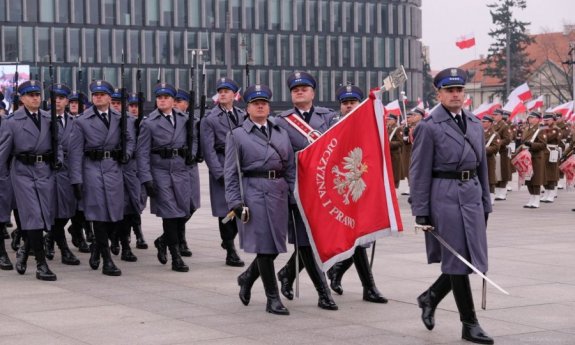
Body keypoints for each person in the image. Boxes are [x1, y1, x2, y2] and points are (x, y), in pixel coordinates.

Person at [410, 68, 494, 344]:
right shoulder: (428, 126)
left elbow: (482, 166)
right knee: (458, 259)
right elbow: (418, 171)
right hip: (444, 196)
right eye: (450, 90)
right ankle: (469, 323)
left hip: (471, 196)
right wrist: (420, 210)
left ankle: (430, 296)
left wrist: (485, 201)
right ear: (439, 94)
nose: (456, 94)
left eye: (459, 90)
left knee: (470, 258)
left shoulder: (474, 122)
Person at [226, 84, 295, 315]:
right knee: (266, 248)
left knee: (275, 247)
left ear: (269, 106)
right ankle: (272, 298)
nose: (260, 106)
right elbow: (231, 171)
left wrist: (293, 193)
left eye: (263, 103)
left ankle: (247, 277)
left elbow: (290, 167)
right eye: (255, 103)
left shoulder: (280, 131)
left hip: (279, 192)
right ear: (247, 108)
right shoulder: (237, 135)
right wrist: (234, 201)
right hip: (254, 192)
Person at [274, 71, 338, 311]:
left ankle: (283, 274)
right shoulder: (281, 121)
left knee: (315, 240)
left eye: (304, 88)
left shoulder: (329, 117)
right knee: (305, 241)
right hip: (298, 189)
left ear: (313, 92)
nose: (299, 91)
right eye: (295, 89)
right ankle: (323, 293)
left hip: (324, 190)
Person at [325, 84, 388, 304]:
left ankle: (340, 274)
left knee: (360, 239)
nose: (349, 106)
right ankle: (367, 286)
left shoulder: (370, 124)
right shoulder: (333, 125)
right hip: (341, 190)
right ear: (340, 106)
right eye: (345, 103)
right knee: (352, 240)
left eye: (353, 102)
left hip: (362, 189)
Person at [69, 80, 135, 276]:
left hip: (113, 167)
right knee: (98, 214)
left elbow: (130, 139)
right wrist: (76, 180)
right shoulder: (81, 121)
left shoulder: (121, 117)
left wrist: (127, 153)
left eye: (102, 94)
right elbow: (75, 152)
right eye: (95, 94)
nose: (98, 97)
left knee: (114, 215)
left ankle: (97, 247)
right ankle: (107, 259)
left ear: (109, 97)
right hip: (92, 169)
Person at [0, 80, 63, 281]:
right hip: (23, 173)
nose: (35, 98)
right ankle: (41, 265)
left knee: (45, 216)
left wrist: (58, 160)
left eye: (37, 94)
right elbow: (3, 153)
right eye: (30, 94)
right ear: (22, 98)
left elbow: (57, 144)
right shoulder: (11, 121)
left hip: (44, 170)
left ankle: (25, 251)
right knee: (34, 216)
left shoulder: (48, 118)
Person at [136, 83, 191, 272]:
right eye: (159, 97)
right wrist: (146, 179)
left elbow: (194, 138)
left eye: (166, 98)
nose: (162, 100)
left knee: (183, 211)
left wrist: (193, 154)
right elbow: (142, 152)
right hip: (160, 172)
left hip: (180, 171)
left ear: (173, 101)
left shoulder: (184, 119)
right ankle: (176, 257)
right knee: (170, 214)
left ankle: (162, 241)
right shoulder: (149, 122)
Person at [200, 78, 245, 267]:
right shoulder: (210, 119)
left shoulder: (242, 115)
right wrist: (219, 173)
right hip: (222, 164)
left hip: (241, 168)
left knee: (240, 209)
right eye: (220, 91)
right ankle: (230, 250)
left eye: (227, 91)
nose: (223, 94)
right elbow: (208, 149)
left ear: (235, 95)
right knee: (224, 211)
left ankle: (228, 239)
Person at [44, 83, 81, 265]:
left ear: (66, 101)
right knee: (52, 210)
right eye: (54, 98)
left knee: (67, 210)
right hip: (49, 169)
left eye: (60, 98)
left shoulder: (75, 122)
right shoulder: (44, 119)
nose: (57, 101)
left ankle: (50, 238)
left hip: (68, 170)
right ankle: (63, 249)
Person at [521, 111, 547, 209]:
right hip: (526, 156)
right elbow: (523, 142)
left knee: (535, 179)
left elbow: (543, 144)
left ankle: (536, 199)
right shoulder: (527, 129)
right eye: (529, 117)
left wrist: (531, 144)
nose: (529, 119)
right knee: (528, 179)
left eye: (532, 117)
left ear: (537, 119)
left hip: (536, 157)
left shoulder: (541, 130)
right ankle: (531, 198)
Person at [540, 113, 562, 203]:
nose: (545, 122)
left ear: (552, 120)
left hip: (551, 152)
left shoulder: (556, 129)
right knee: (544, 173)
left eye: (547, 120)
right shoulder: (544, 129)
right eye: (544, 120)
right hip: (543, 152)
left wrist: (542, 131)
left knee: (552, 173)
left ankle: (551, 194)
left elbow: (546, 138)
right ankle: (547, 192)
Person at [492, 109, 513, 201]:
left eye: (496, 115)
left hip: (502, 151)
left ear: (501, 116)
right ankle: (498, 191)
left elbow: (508, 139)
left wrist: (498, 142)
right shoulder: (493, 125)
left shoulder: (504, 126)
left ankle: (503, 192)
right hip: (495, 151)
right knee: (496, 171)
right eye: (494, 115)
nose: (494, 116)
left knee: (503, 171)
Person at [482, 115, 501, 205]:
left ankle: (491, 196)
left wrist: (484, 150)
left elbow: (496, 147)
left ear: (490, 123)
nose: (482, 123)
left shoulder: (494, 134)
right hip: (481, 159)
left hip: (489, 158)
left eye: (484, 122)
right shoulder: (479, 132)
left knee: (490, 178)